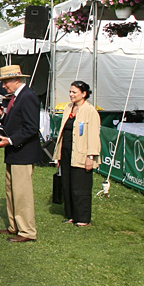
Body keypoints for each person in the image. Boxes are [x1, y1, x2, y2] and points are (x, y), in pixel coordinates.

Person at [0, 65, 41, 243]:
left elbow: (31, 127)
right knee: (11, 190)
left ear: (16, 80)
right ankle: (15, 226)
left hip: (23, 152)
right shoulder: (16, 97)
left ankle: (27, 231)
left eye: (5, 82)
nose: (4, 86)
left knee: (22, 193)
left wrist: (11, 140)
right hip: (14, 152)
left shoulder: (27, 96)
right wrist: (2, 116)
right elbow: (17, 123)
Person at [53, 81, 101, 227]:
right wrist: (59, 155)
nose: (71, 95)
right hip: (66, 152)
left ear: (84, 94)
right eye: (70, 92)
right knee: (67, 184)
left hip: (81, 153)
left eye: (74, 92)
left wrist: (91, 156)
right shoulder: (68, 108)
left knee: (80, 186)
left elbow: (93, 135)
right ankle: (71, 214)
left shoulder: (90, 110)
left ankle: (83, 218)